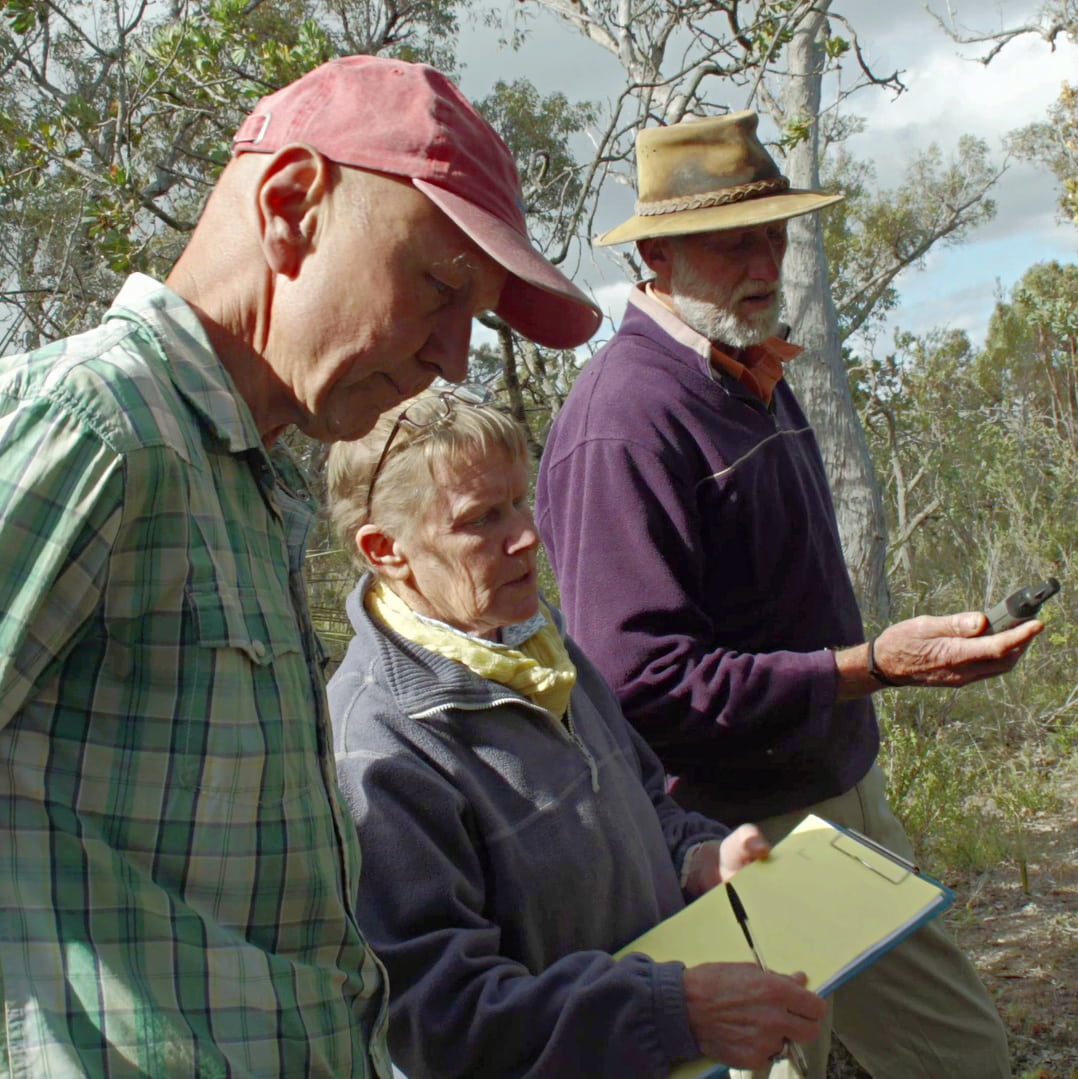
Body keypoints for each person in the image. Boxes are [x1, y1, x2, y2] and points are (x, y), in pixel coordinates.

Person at [0, 55, 600, 1077]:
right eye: (442, 286)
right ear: (290, 205)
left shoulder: (242, 473)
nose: (453, 356)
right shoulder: (100, 427)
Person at [535, 111, 1043, 1079]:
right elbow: (637, 684)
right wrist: (865, 669)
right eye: (733, 240)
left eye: (773, 231)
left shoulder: (751, 371)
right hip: (738, 845)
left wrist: (878, 675)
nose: (763, 258)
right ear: (655, 252)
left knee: (963, 1055)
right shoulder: (624, 422)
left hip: (845, 805)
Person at [324, 388, 827, 1079]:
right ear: (386, 550)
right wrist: (670, 1012)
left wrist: (696, 859)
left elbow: (645, 794)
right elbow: (441, 1019)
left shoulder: (536, 642)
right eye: (482, 519)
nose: (526, 534)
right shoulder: (381, 747)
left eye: (520, 502)